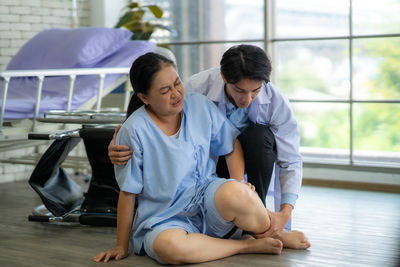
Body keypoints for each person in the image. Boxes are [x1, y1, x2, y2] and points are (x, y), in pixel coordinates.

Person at [94, 53, 309, 264]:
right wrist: (121, 245)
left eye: (177, 83)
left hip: (208, 197)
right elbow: (128, 192)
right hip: (165, 218)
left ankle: (271, 232)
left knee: (239, 191)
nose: (176, 94)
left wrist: (240, 184)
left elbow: (232, 143)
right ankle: (246, 244)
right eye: (165, 90)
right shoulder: (134, 131)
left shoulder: (197, 103)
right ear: (144, 97)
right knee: (170, 247)